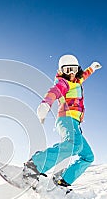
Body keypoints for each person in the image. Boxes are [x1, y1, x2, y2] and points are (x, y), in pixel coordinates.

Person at [24, 54, 102, 187]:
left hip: (75, 124)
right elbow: (54, 91)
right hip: (66, 119)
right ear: (61, 71)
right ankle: (35, 165)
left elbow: (84, 75)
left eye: (74, 69)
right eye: (67, 70)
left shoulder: (76, 81)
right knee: (73, 146)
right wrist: (46, 104)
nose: (71, 73)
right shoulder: (63, 83)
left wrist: (92, 68)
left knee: (88, 157)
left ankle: (62, 181)